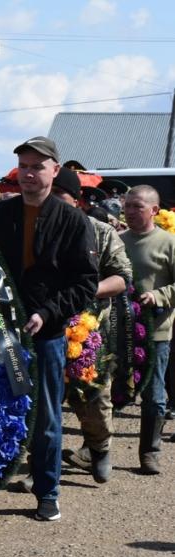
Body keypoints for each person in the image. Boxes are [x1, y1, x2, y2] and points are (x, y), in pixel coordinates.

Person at [0, 136, 97, 525]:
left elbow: (85, 284)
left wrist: (46, 313)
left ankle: (47, 492)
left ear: (55, 171)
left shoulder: (72, 221)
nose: (29, 174)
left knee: (45, 419)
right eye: (23, 166)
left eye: (38, 166)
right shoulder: (0, 216)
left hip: (46, 337)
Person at [52, 168, 131, 484]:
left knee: (94, 400)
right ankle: (44, 467)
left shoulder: (100, 232)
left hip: (90, 331)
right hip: (45, 327)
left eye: (61, 198)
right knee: (45, 402)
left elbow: (122, 278)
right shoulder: (36, 231)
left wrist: (87, 290)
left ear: (76, 201)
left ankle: (99, 448)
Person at [120, 185, 175, 474]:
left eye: (137, 207)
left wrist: (158, 296)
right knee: (106, 393)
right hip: (117, 331)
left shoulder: (168, 243)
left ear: (154, 210)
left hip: (155, 334)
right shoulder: (117, 240)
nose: (129, 211)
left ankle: (150, 452)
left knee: (154, 396)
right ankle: (92, 448)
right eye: (127, 206)